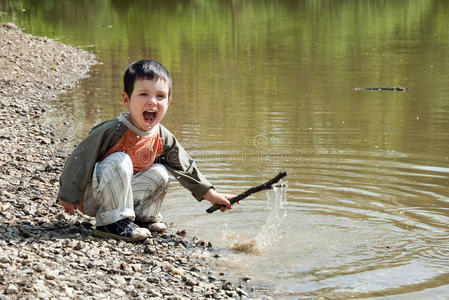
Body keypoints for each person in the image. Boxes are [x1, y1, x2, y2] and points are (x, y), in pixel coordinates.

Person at [57, 59, 235, 242]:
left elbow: (184, 167)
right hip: (95, 197)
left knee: (161, 172)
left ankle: (143, 217)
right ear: (127, 99)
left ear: (169, 101)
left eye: (160, 96)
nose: (152, 102)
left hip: (124, 195)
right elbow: (81, 157)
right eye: (144, 94)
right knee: (121, 160)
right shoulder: (113, 130)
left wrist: (211, 195)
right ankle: (111, 224)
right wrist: (69, 194)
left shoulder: (161, 135)